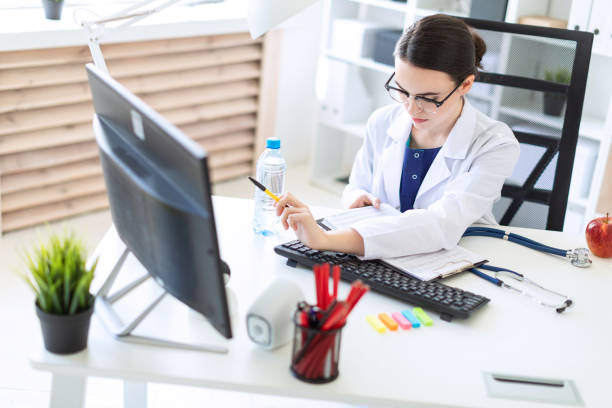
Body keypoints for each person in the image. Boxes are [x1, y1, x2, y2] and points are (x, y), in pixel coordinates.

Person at [275, 14, 519, 260]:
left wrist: (326, 239)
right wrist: (356, 198)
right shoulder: (383, 121)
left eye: (428, 98)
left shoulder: (495, 144)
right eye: (402, 90)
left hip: (455, 260)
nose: (411, 109)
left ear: (466, 85)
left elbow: (441, 224)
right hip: (385, 259)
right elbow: (357, 185)